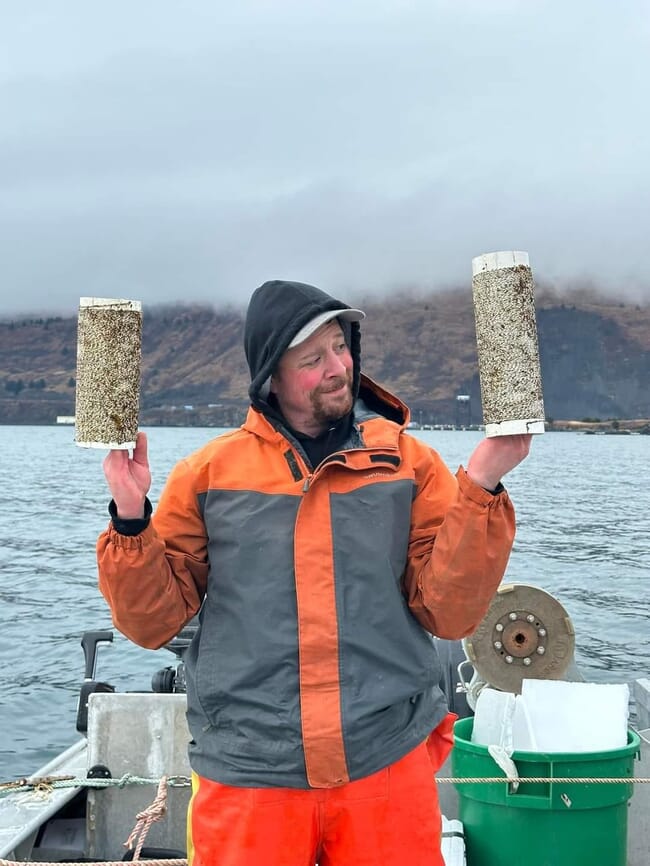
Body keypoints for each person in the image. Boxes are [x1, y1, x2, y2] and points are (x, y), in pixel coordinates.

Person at [97, 279, 531, 866]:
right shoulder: (207, 474)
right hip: (249, 773)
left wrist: (482, 483)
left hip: (385, 762)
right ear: (270, 378)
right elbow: (152, 623)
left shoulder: (409, 464)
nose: (337, 368)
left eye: (340, 346)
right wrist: (130, 516)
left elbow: (447, 613)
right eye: (311, 359)